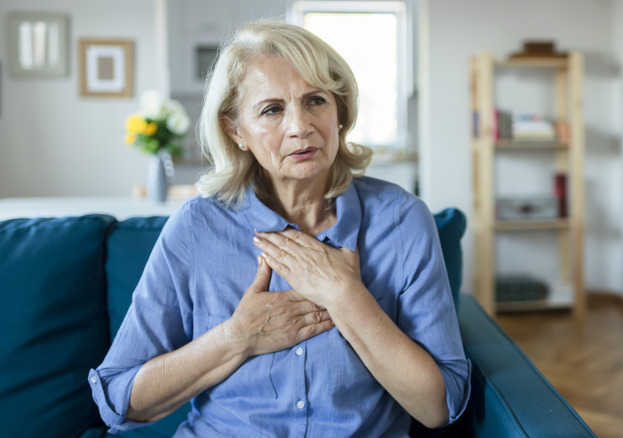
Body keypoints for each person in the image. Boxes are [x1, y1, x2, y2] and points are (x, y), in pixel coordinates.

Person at [89, 20, 470, 437]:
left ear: (339, 111)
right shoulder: (197, 227)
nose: (300, 126)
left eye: (316, 101)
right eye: (272, 109)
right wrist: (237, 337)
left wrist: (346, 296)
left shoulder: (402, 220)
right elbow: (120, 400)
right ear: (236, 131)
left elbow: (438, 406)